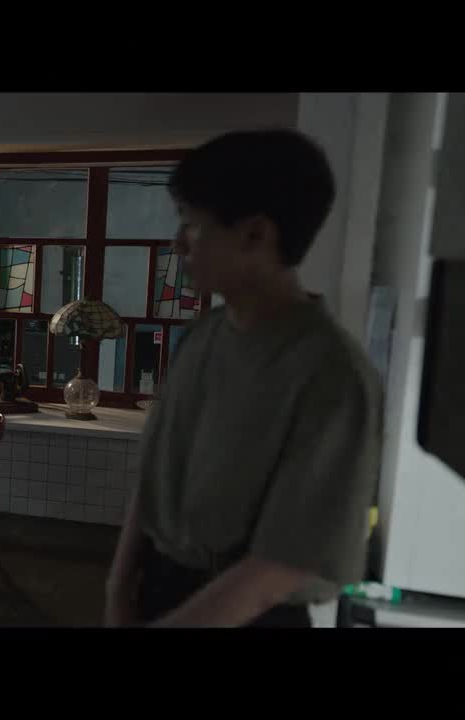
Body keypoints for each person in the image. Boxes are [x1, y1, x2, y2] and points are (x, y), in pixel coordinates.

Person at [103, 129, 383, 628]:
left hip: (252, 612)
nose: (178, 243)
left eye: (193, 224)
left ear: (255, 235)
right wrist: (119, 591)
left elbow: (279, 567)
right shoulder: (200, 337)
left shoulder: (331, 373)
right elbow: (152, 483)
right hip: (161, 585)